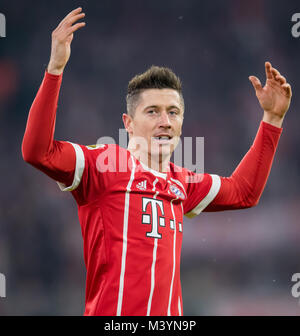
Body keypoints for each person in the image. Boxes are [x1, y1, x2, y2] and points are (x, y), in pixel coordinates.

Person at [21, 8, 292, 316]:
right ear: (129, 123)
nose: (165, 121)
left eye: (173, 112)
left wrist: (272, 119)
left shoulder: (183, 183)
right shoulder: (102, 165)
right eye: (152, 111)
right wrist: (55, 69)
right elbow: (37, 151)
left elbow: (245, 192)